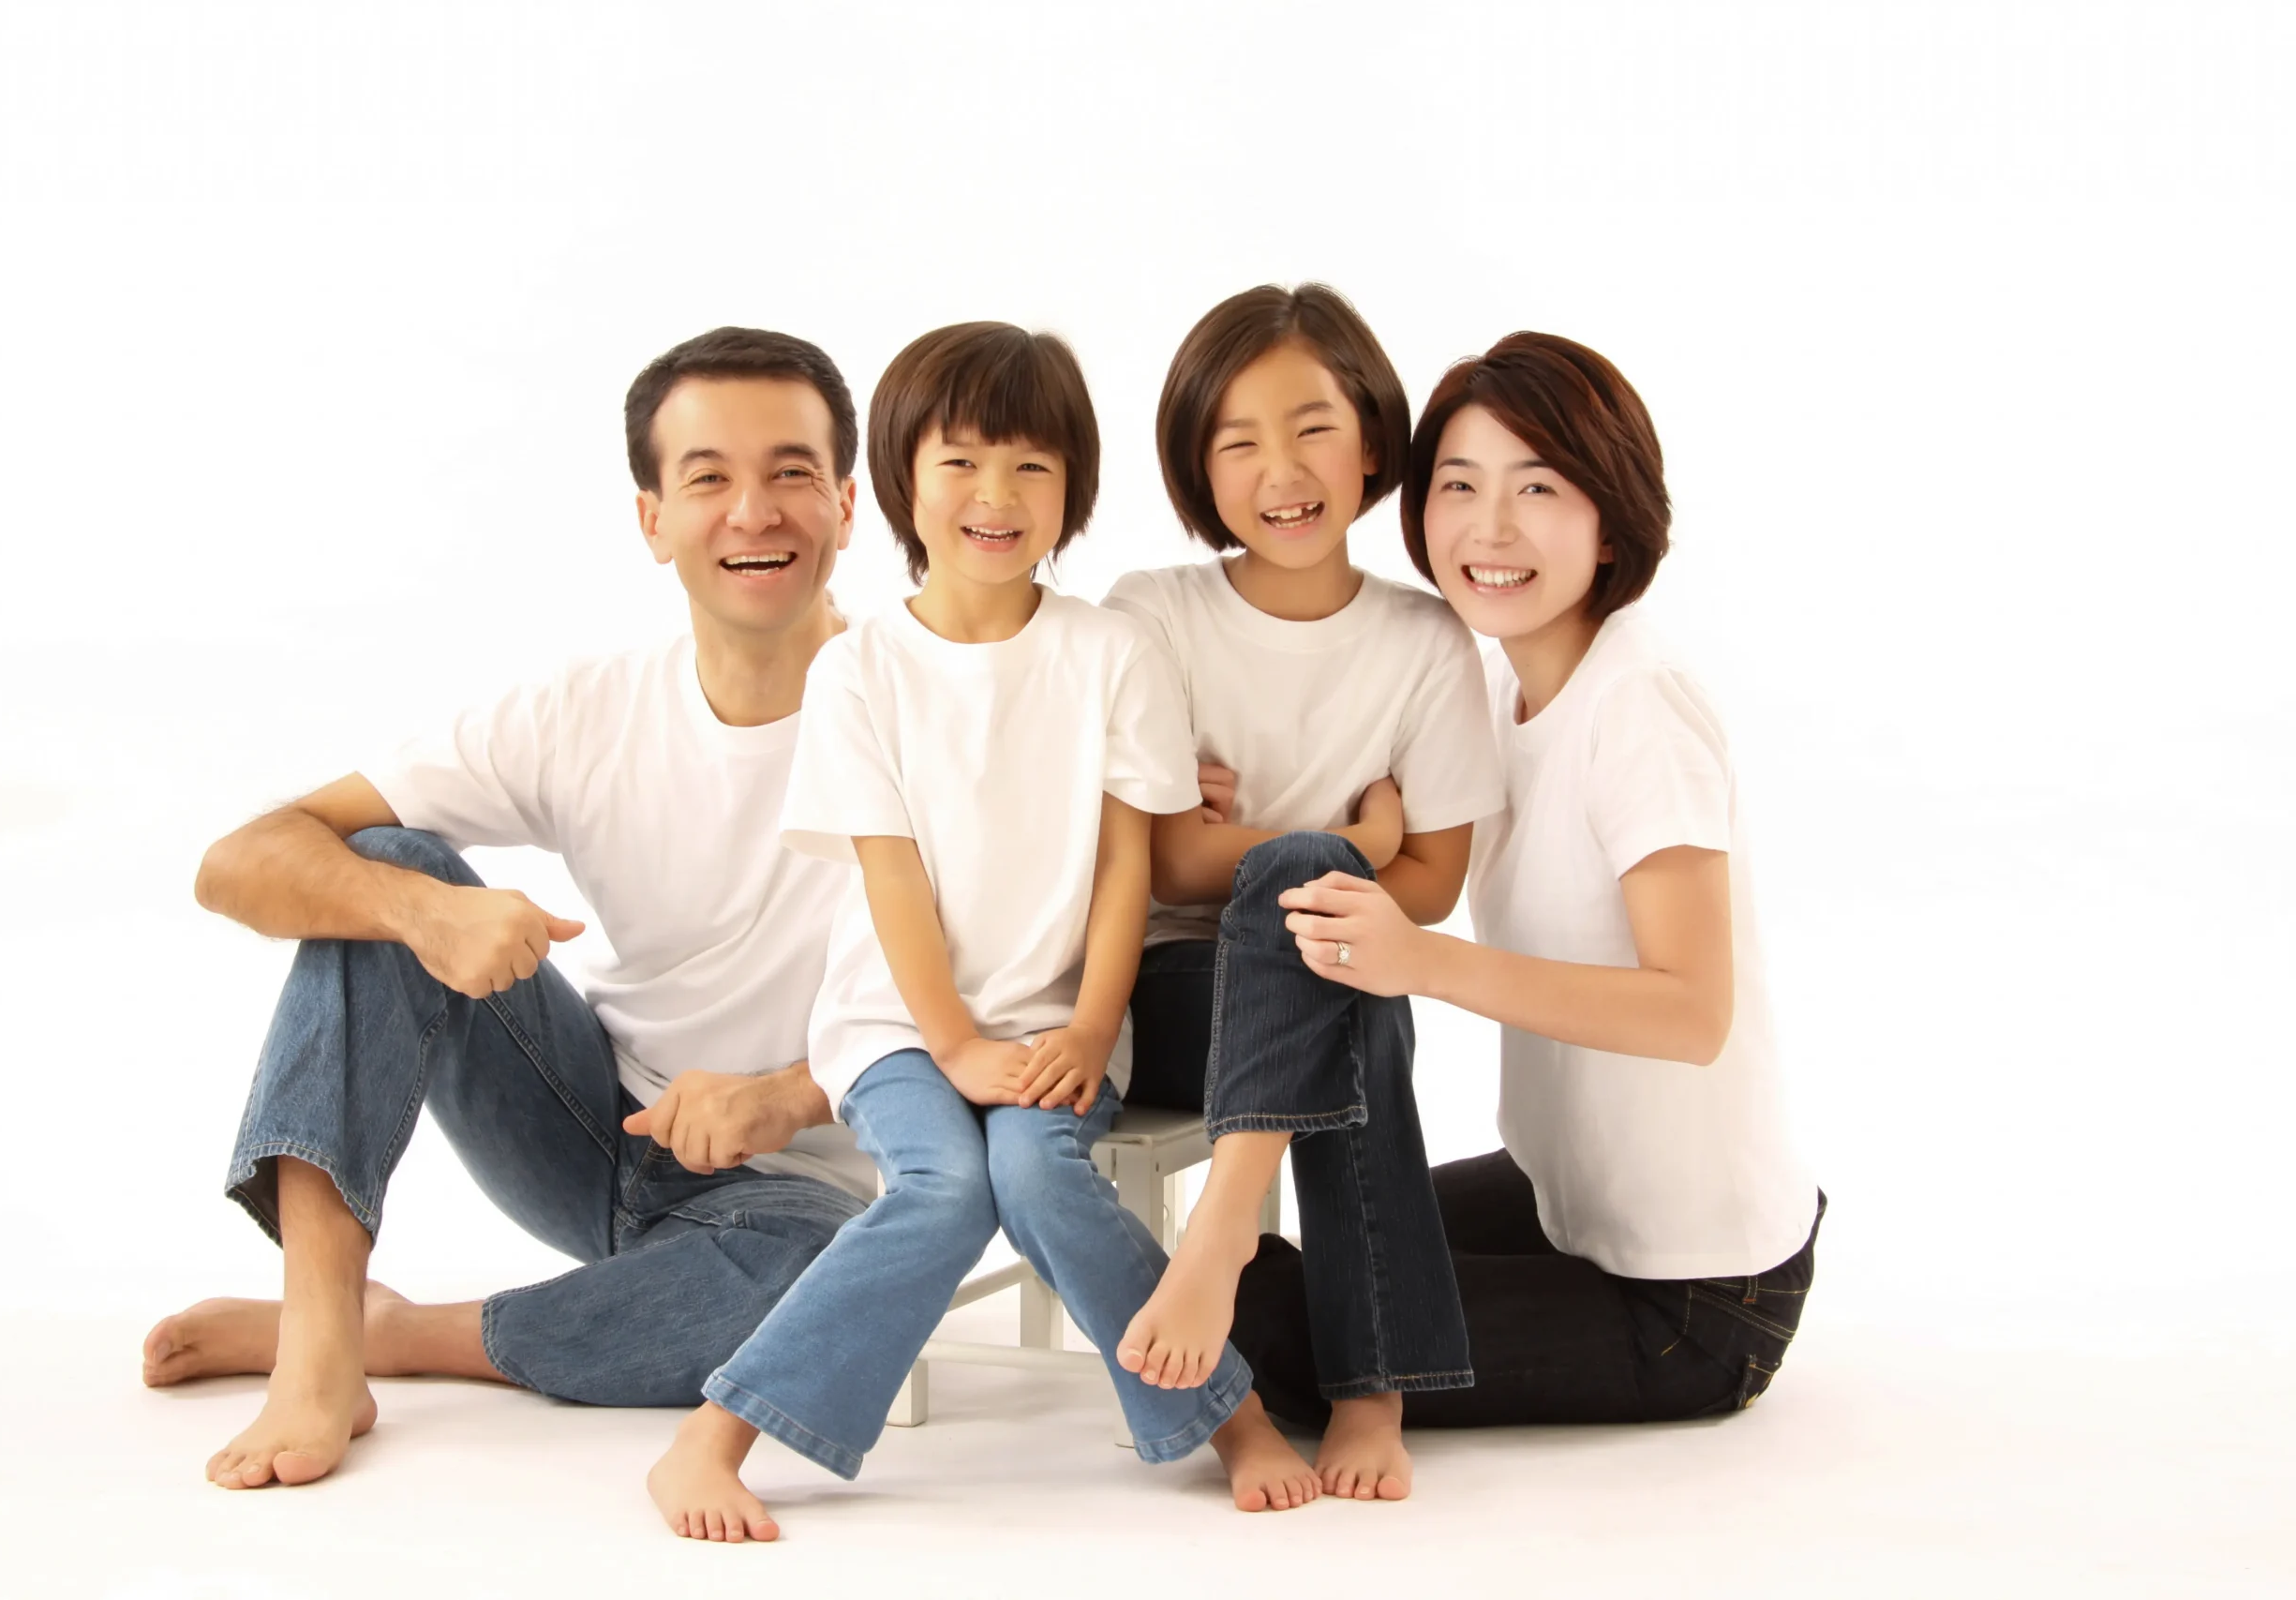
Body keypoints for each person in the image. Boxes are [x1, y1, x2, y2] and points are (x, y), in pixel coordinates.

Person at [142, 327, 880, 1492]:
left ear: (845, 502)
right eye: (708, 479)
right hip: (592, 1130)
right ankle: (320, 1332)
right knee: (382, 867)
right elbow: (239, 862)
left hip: (797, 1192)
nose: (754, 512)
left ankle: (399, 1334)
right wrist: (420, 912)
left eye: (791, 472)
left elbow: (1008, 1007)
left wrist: (787, 1096)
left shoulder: (925, 714)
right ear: (652, 520)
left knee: (820, 1294)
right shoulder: (586, 711)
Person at [647, 321, 1320, 1544]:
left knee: (1036, 1171)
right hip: (897, 1024)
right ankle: (716, 1432)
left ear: (1072, 490)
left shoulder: (1111, 652)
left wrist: (1093, 1026)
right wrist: (953, 1043)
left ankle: (1229, 1419)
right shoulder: (860, 671)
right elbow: (891, 877)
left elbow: (1126, 866)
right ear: (900, 483)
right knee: (946, 1184)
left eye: (1030, 466)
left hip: (1061, 1019)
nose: (995, 495)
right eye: (960, 462)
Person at [1245, 330, 1824, 1427]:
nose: (1491, 528)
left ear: (1612, 516)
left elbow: (1692, 1013)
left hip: (1692, 1291)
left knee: (1269, 1326)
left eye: (1539, 488)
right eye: (1459, 485)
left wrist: (1424, 963)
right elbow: (1399, 840)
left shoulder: (1637, 705)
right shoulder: (1497, 690)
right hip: (1562, 1196)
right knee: (1311, 1239)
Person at [1104, 284, 1505, 1502]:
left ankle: (1228, 1231)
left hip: (1331, 987)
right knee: (1327, 913)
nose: (1280, 471)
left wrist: (1284, 850)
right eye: (1237, 442)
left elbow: (1433, 885)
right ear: (1198, 468)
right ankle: (1367, 1385)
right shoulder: (1154, 613)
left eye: (1312, 427)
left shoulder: (1426, 641)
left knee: (1349, 966)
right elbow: (1168, 865)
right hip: (1175, 994)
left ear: (1372, 440)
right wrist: (1355, 838)